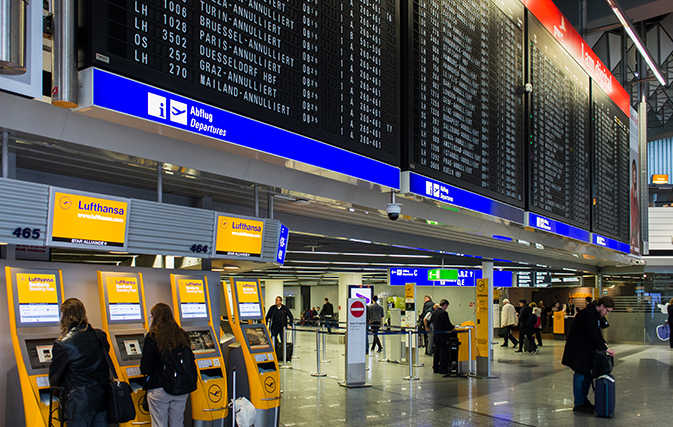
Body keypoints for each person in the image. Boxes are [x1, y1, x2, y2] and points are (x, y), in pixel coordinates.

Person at [49, 298, 109, 427]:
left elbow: (55, 378)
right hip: (101, 401)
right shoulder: (99, 335)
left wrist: (59, 394)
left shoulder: (63, 343)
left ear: (64, 316)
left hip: (77, 406)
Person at [141, 303, 194, 427]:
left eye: (151, 317)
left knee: (159, 424)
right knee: (177, 424)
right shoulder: (182, 334)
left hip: (159, 388)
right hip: (181, 387)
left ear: (155, 318)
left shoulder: (153, 336)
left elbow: (146, 367)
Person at [561, 296, 616, 414]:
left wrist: (604, 345)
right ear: (602, 306)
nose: (607, 313)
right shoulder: (587, 314)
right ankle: (578, 403)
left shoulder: (594, 315)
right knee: (580, 375)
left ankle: (584, 400)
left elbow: (597, 332)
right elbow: (592, 333)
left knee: (586, 375)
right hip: (578, 350)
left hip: (586, 350)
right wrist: (604, 348)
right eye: (607, 311)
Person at [431, 299, 454, 377]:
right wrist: (452, 326)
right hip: (443, 336)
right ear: (445, 305)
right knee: (443, 353)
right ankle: (442, 369)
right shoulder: (444, 313)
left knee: (436, 352)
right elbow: (448, 325)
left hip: (436, 335)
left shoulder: (434, 313)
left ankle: (435, 368)